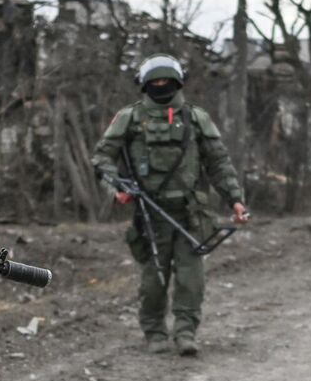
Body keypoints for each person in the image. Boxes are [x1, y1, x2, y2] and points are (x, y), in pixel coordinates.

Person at [92, 55, 249, 356]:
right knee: (154, 279)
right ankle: (154, 332)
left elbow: (218, 162)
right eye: (156, 82)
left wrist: (235, 200)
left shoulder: (195, 117)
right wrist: (118, 188)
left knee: (192, 279)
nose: (161, 86)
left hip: (191, 213)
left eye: (166, 81)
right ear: (144, 85)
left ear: (177, 83)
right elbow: (102, 158)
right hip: (150, 214)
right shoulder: (130, 118)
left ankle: (186, 331)